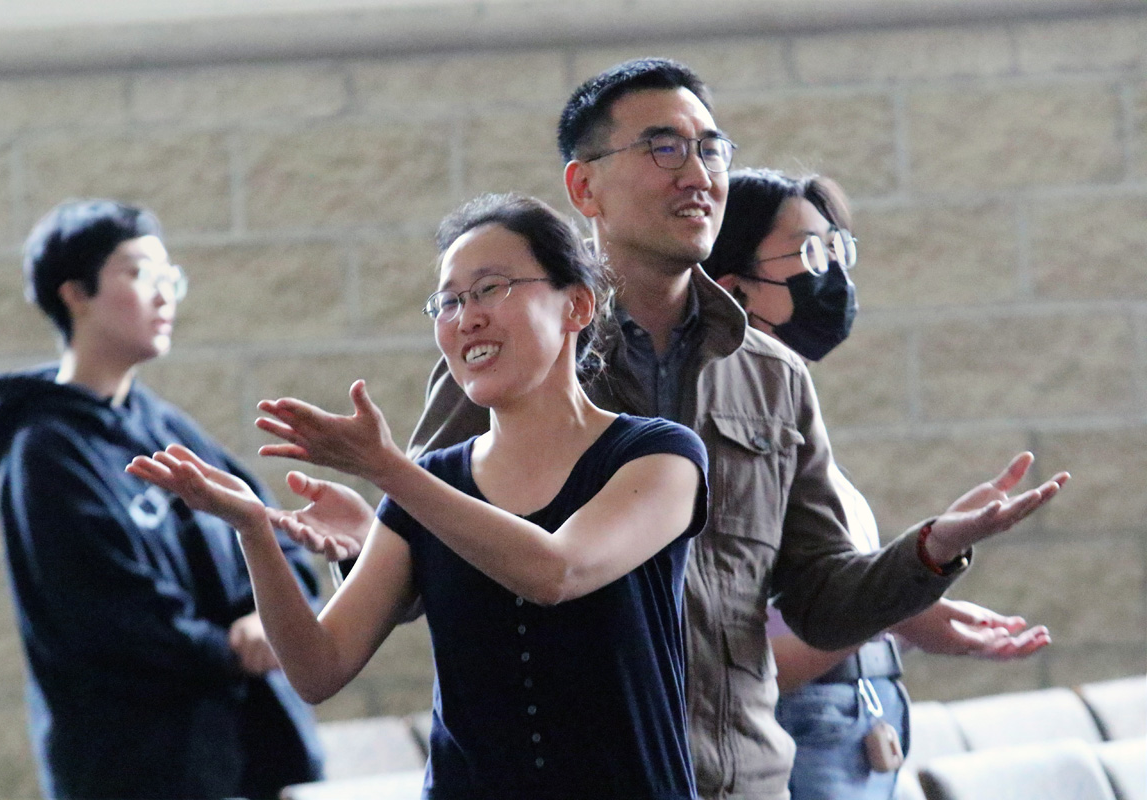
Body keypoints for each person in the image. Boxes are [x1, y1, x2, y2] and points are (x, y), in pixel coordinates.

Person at [274, 58, 1067, 799]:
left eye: (709, 148)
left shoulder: (772, 374)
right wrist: (369, 534)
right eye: (663, 149)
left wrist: (927, 552)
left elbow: (822, 601)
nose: (698, 174)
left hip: (740, 777)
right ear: (584, 188)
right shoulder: (508, 361)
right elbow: (434, 565)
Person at [128, 193, 710, 800]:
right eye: (449, 301)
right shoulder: (429, 485)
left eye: (490, 288)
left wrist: (385, 469)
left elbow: (556, 572)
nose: (466, 317)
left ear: (577, 305)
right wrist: (251, 529)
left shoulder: (660, 456)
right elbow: (317, 668)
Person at [701, 167, 1053, 800]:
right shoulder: (715, 439)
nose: (832, 274)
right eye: (809, 254)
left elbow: (820, 609)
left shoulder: (793, 425)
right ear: (734, 290)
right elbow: (732, 665)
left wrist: (910, 597)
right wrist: (900, 605)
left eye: (837, 249)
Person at [0, 199, 325, 800]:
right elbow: (107, 618)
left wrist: (269, 619)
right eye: (138, 274)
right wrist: (233, 650)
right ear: (74, 293)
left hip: (242, 752)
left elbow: (266, 524)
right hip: (138, 767)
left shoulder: (164, 426)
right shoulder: (44, 450)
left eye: (169, 277)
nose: (164, 295)